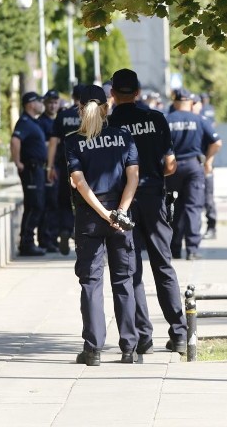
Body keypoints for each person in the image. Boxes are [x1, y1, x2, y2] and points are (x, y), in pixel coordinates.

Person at [108, 69, 188, 355]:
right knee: (163, 265)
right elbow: (169, 164)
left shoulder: (110, 123)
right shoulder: (156, 118)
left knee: (132, 270)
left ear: (113, 93)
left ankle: (143, 335)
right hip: (154, 198)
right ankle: (179, 333)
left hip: (124, 203)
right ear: (139, 92)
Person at [65, 84, 140, 366]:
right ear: (107, 108)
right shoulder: (123, 136)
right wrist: (119, 212)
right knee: (123, 281)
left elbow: (80, 183)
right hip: (122, 217)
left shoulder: (73, 141)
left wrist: (103, 213)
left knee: (91, 283)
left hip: (89, 219)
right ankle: (129, 349)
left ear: (80, 109)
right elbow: (133, 177)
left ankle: (93, 349)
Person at [166, 88, 222, 260]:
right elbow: (217, 142)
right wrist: (208, 161)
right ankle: (192, 249)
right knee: (193, 207)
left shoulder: (166, 120)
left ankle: (174, 248)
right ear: (190, 102)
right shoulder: (199, 119)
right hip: (193, 167)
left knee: (175, 207)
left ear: (175, 102)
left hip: (172, 167)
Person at [47, 85, 85, 256]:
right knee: (85, 200)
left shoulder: (63, 115)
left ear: (72, 96)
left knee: (64, 201)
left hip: (65, 165)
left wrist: (50, 166)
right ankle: (80, 231)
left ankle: (65, 229)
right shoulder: (89, 115)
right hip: (86, 165)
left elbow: (53, 142)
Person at [11, 92, 47, 256]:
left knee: (37, 204)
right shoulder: (24, 122)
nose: (42, 104)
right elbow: (15, 140)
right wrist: (17, 162)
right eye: (39, 101)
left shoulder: (33, 122)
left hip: (37, 168)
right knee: (34, 205)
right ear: (31, 104)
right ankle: (26, 243)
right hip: (31, 169)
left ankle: (29, 242)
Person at [37, 90, 61, 252]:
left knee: (57, 204)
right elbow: (43, 146)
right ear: (45, 103)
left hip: (60, 166)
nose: (53, 105)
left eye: (55, 102)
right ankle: (45, 239)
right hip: (47, 168)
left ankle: (54, 237)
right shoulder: (41, 123)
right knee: (48, 205)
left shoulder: (61, 120)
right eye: (50, 102)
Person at [195, 94, 218, 240]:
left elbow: (215, 142)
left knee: (208, 198)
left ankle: (211, 227)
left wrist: (208, 161)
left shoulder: (203, 120)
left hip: (204, 164)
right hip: (193, 165)